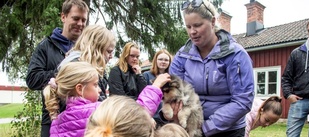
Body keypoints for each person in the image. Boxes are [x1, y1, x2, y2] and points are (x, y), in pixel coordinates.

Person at [169, 0, 255, 136]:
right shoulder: (182, 56)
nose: (192, 32)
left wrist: (205, 128)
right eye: (188, 26)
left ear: (213, 21)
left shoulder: (235, 54)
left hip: (228, 130)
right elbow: (175, 93)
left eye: (197, 25)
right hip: (192, 128)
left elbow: (242, 101)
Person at [44, 62, 171, 136]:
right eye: (95, 85)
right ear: (79, 89)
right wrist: (155, 87)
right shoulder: (99, 110)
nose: (99, 89)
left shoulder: (56, 122)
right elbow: (137, 115)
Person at [25, 0, 89, 136]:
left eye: (84, 20)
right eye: (76, 18)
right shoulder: (45, 47)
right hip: (53, 121)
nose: (80, 24)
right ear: (63, 17)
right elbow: (32, 79)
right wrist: (62, 71)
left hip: (82, 122)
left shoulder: (86, 51)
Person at [282, 16, 309, 137]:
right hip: (299, 101)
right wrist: (289, 95)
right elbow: (286, 77)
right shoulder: (297, 53)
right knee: (292, 135)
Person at [58, 24, 116, 101]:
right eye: (109, 51)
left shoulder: (88, 65)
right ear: (96, 49)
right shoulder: (78, 69)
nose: (111, 56)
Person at [143, 49, 172, 127]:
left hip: (167, 118)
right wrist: (149, 117)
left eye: (166, 60)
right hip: (151, 118)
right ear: (155, 60)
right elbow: (143, 97)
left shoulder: (171, 77)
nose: (163, 62)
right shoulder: (146, 75)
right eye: (160, 59)